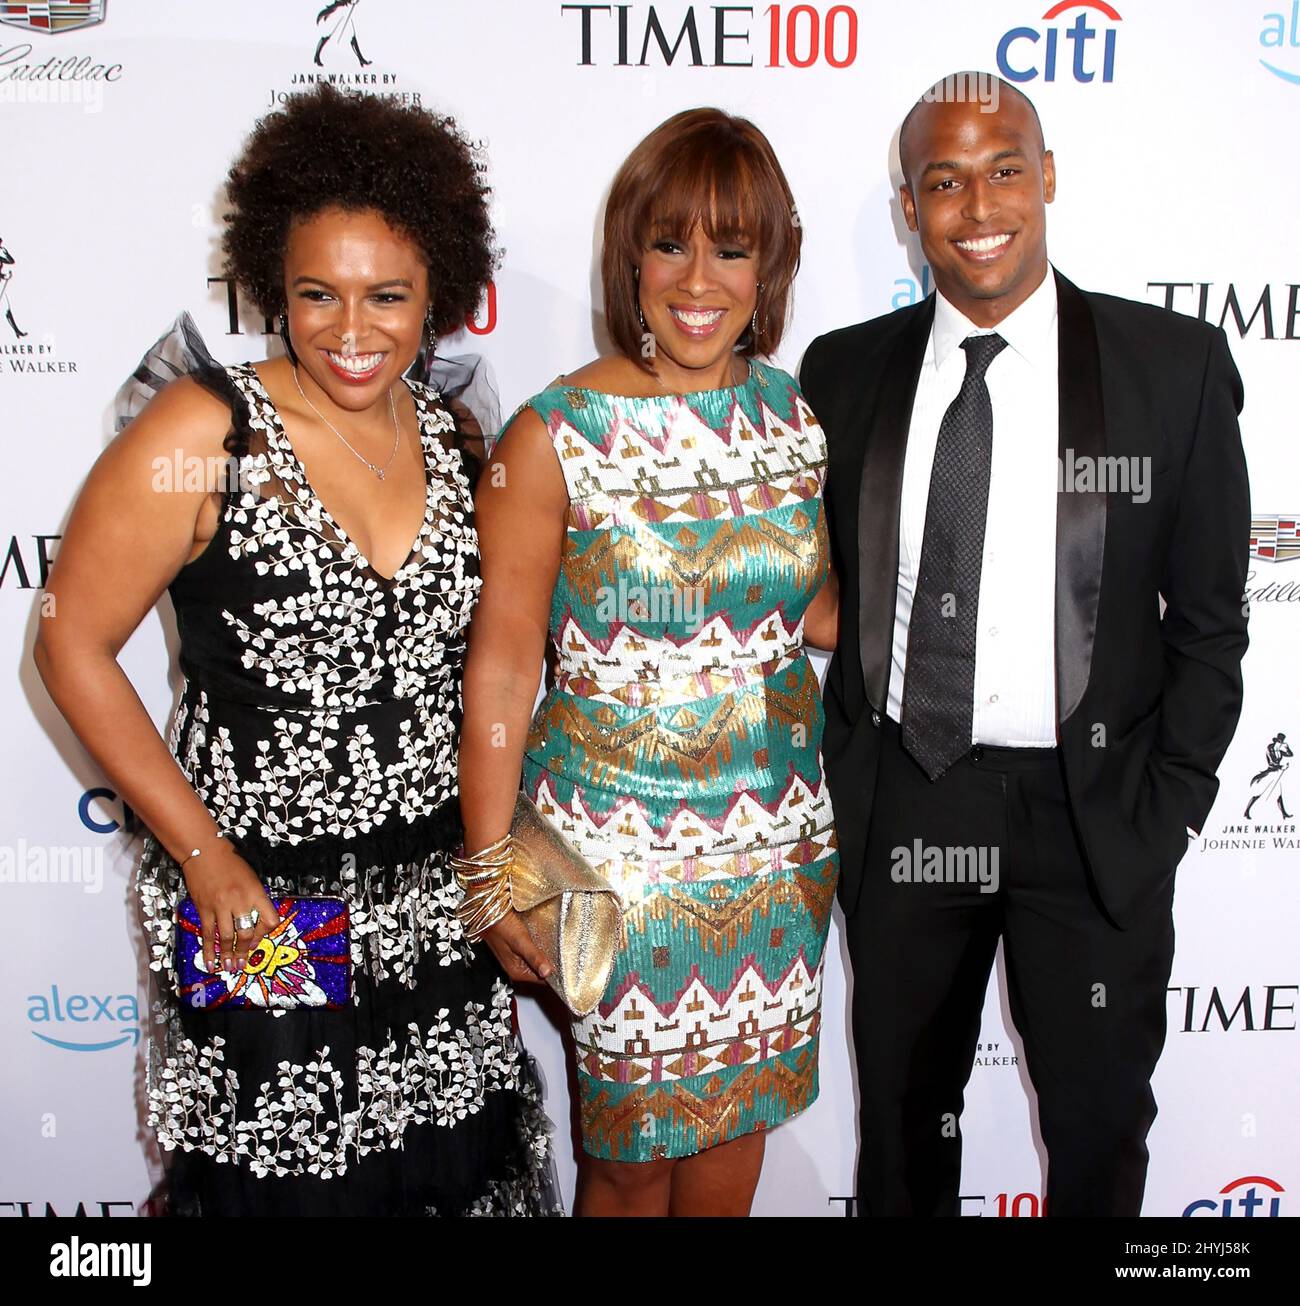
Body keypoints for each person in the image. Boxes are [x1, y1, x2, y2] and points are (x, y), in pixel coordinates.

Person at [33, 84, 558, 1217]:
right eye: (317, 294)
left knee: (443, 1177)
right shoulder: (203, 432)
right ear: (276, 280)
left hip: (433, 899)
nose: (351, 330)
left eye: (389, 296)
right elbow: (70, 639)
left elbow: (490, 672)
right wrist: (205, 856)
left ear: (442, 297)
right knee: (285, 1177)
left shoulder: (453, 432)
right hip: (266, 907)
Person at [800, 74, 1250, 1216]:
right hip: (911, 799)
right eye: (941, 180)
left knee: (1100, 1133)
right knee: (902, 1134)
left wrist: (1170, 806)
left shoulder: (1172, 367)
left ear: (1046, 178)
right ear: (910, 207)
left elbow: (1208, 622)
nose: (976, 203)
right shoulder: (841, 373)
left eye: (1004, 167)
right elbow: (811, 586)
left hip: (1091, 812)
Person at [458, 107, 839, 1217]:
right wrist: (491, 875)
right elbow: (502, 662)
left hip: (772, 852)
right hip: (613, 865)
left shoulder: (792, 421)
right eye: (671, 242)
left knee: (733, 1151)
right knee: (624, 1165)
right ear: (631, 254)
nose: (699, 277)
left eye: (733, 245)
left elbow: (803, 606)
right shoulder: (554, 435)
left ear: (768, 263)